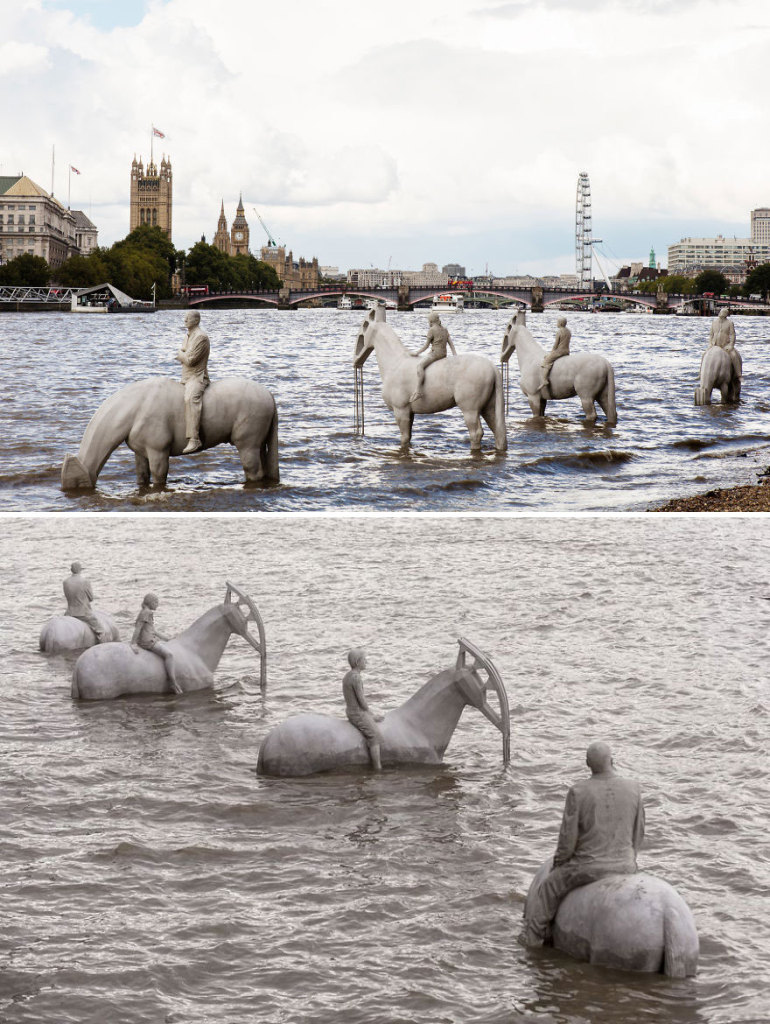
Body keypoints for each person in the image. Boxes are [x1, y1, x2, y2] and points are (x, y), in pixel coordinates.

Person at [519, 741, 645, 947]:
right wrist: (629, 860)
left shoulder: (578, 792)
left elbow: (567, 841)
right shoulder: (634, 788)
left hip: (588, 867)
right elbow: (638, 834)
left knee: (550, 886)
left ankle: (532, 939)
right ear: (612, 761)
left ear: (588, 764)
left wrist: (559, 863)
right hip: (626, 865)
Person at [175, 310, 210, 454]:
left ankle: (194, 439)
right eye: (185, 317)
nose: (185, 320)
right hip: (186, 377)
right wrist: (183, 353)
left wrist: (180, 354)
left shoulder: (201, 337)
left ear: (196, 321)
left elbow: (189, 360)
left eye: (188, 318)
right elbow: (185, 354)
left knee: (191, 398)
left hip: (197, 377)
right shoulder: (188, 335)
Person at [131, 593, 181, 694]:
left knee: (165, 646)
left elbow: (153, 630)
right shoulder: (146, 613)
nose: (157, 605)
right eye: (156, 602)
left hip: (149, 638)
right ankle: (173, 682)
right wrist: (133, 643)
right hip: (147, 641)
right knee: (169, 655)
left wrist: (167, 639)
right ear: (151, 603)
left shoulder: (146, 612)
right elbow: (138, 628)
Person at [342, 648, 382, 770]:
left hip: (350, 711)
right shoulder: (356, 678)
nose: (366, 662)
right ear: (358, 662)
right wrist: (370, 713)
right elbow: (362, 702)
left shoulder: (347, 676)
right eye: (364, 660)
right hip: (357, 713)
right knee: (375, 735)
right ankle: (377, 767)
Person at [410, 312, 457, 402]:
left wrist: (416, 353)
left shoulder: (432, 330)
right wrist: (455, 354)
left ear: (431, 321)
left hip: (435, 354)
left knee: (419, 366)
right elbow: (451, 343)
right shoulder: (445, 329)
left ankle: (418, 390)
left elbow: (426, 346)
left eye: (428, 320)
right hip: (443, 354)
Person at [63, 561, 108, 642]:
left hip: (69, 613)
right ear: (80, 570)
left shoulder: (65, 582)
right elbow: (91, 598)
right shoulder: (85, 581)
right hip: (83, 613)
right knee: (101, 630)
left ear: (71, 570)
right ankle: (102, 645)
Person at [708, 308, 742, 381]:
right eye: (721, 312)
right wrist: (710, 343)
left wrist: (731, 345)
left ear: (726, 314)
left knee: (734, 355)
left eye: (724, 313)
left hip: (725, 345)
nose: (721, 314)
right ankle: (701, 374)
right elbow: (711, 334)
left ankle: (739, 375)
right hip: (715, 345)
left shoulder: (730, 323)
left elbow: (732, 334)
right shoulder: (714, 322)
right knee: (705, 355)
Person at [540, 317, 571, 394]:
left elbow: (556, 344)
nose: (556, 323)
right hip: (566, 351)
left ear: (560, 323)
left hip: (559, 351)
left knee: (546, 361)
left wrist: (552, 352)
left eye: (557, 322)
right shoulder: (568, 331)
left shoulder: (559, 332)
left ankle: (544, 380)